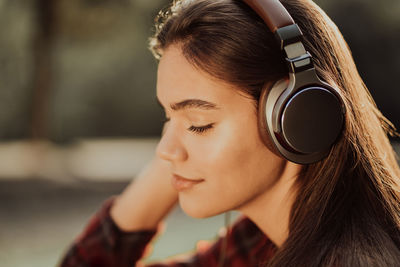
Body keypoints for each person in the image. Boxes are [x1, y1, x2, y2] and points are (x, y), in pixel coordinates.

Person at [59, 0, 400, 266]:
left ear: (299, 116)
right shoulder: (260, 243)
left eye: (199, 123)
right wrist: (184, 138)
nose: (164, 152)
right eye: (167, 118)